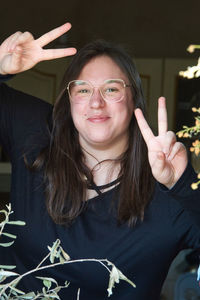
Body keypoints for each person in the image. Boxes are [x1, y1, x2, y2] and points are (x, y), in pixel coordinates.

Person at [0, 23, 199, 300]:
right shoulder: (36, 134)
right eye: (82, 90)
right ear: (69, 101)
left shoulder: (168, 198)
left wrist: (182, 185)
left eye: (111, 89)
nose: (96, 102)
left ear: (133, 100)